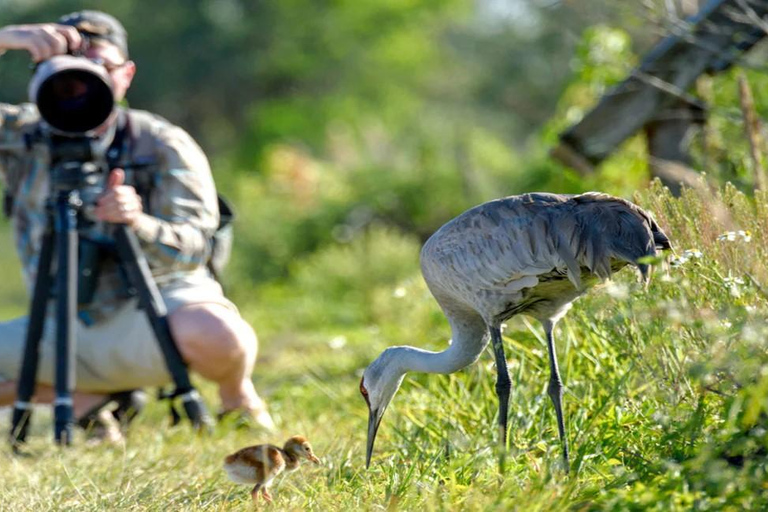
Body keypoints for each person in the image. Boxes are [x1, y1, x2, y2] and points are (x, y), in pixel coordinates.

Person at [0, 11, 274, 439]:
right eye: (72, 69)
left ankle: (237, 396)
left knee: (219, 336)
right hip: (58, 317)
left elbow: (195, 249)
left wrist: (137, 223)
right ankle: (90, 402)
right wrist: (4, 39)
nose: (86, 80)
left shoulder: (161, 143)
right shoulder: (22, 134)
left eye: (100, 67)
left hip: (155, 308)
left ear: (126, 75)